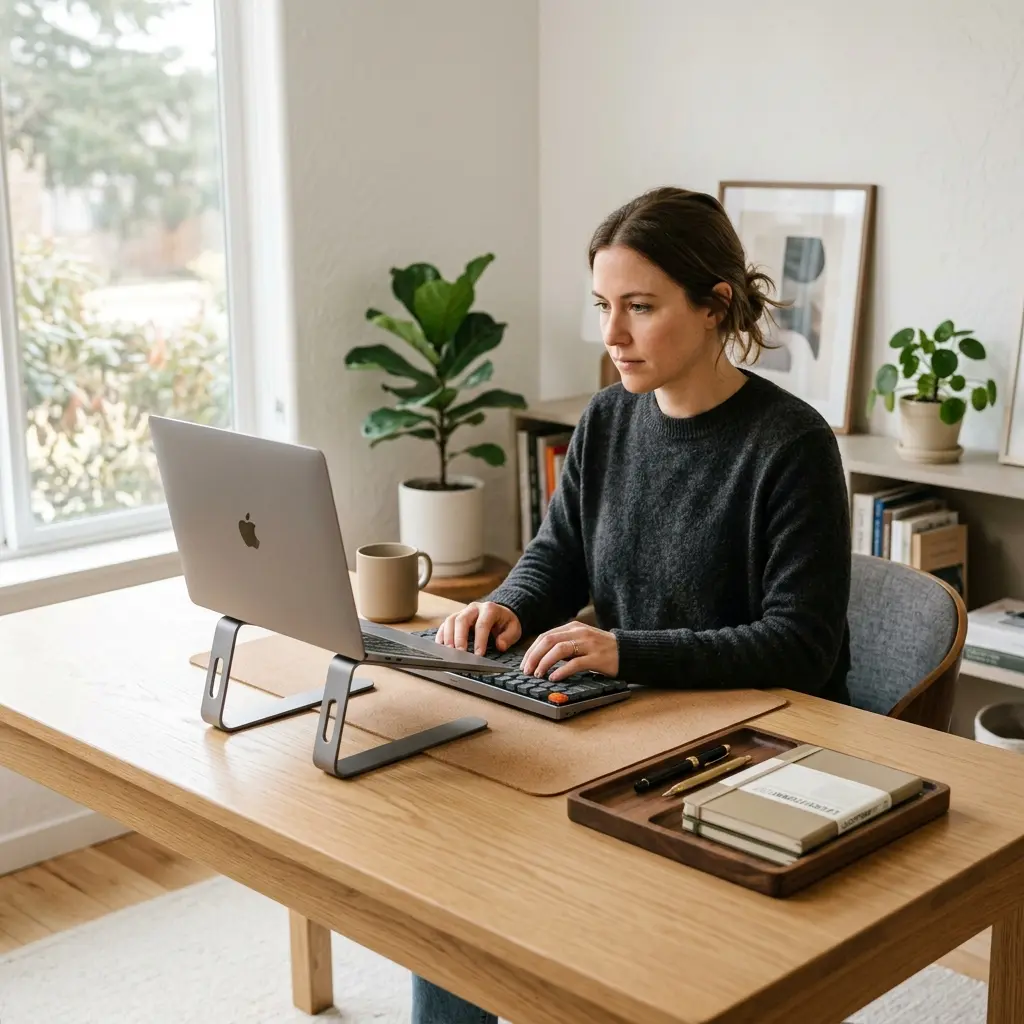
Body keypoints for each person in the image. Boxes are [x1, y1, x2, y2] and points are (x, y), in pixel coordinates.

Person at [411, 186, 852, 1024]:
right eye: (604, 307)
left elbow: (800, 645)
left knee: (581, 916)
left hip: (755, 745)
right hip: (629, 717)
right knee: (458, 871)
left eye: (640, 308)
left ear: (716, 304)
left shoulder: (791, 444)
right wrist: (508, 607)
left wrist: (622, 650)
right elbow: (558, 554)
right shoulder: (608, 418)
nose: (611, 336)